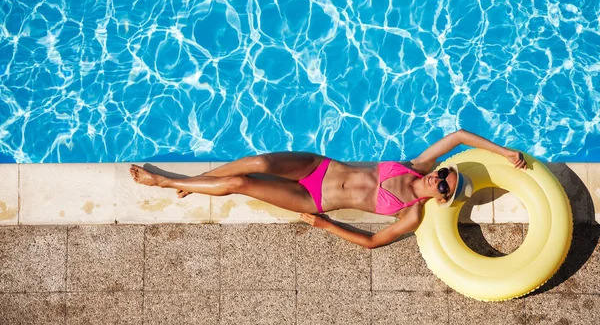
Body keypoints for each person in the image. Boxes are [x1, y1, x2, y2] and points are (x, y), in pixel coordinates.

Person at [130, 129, 526, 249]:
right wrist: (503, 150)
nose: (438, 179)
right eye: (445, 174)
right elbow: (457, 135)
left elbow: (372, 242)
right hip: (318, 165)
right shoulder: (417, 165)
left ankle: (168, 182)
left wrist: (324, 226)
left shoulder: (412, 214)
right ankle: (196, 183)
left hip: (314, 199)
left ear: (442, 199)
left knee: (240, 184)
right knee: (260, 162)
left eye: (444, 186)